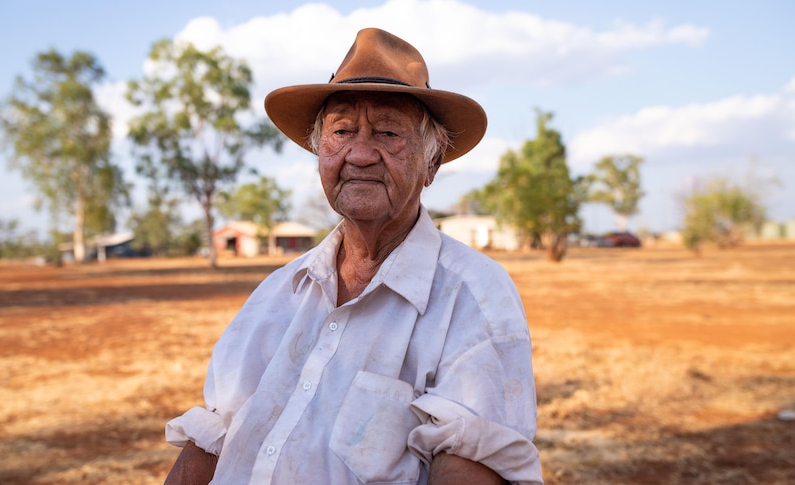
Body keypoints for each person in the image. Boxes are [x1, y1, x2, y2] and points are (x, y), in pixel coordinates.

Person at [164, 28, 543, 485]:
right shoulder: (279, 292)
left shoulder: (474, 295)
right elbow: (211, 440)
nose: (360, 154)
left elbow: (469, 464)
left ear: (432, 163)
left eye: (387, 133)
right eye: (341, 132)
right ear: (319, 151)